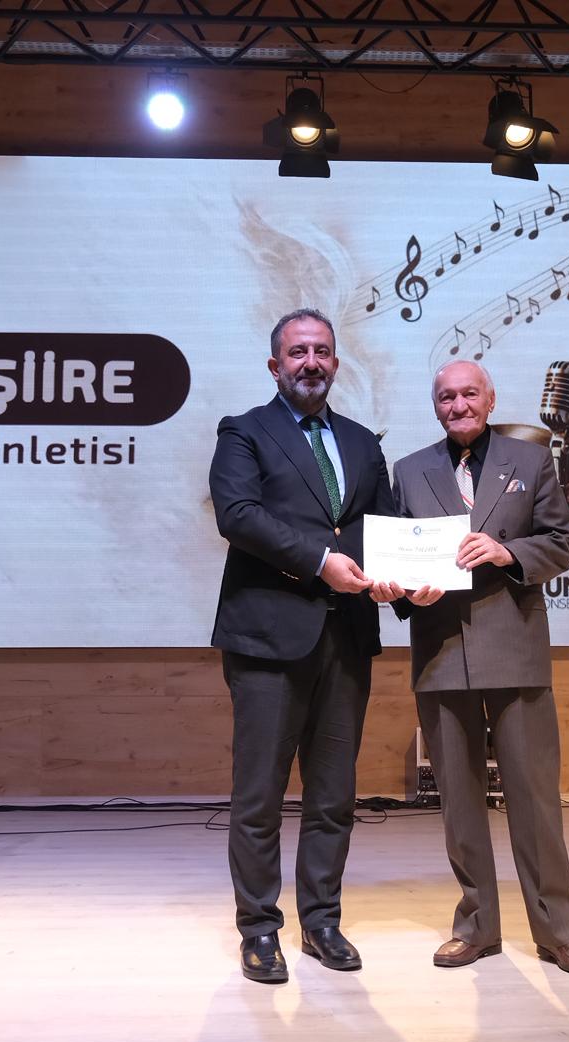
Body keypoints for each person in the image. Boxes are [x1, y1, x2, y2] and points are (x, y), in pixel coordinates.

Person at [371, 359, 569, 976]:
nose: (458, 405)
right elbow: (399, 558)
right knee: (460, 803)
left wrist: (505, 550)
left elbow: (562, 543)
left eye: (469, 394)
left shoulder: (532, 461)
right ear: (435, 406)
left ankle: (559, 932)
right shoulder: (409, 470)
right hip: (440, 649)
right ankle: (477, 926)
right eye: (446, 397)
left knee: (535, 800)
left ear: (490, 399)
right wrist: (397, 590)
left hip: (515, 650)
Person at [209, 308, 393, 984]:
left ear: (336, 363)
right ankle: (260, 928)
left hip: (347, 637)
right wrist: (320, 563)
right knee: (259, 796)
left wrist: (402, 579)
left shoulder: (363, 442)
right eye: (297, 352)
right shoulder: (244, 432)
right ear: (275, 365)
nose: (310, 362)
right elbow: (239, 516)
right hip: (268, 639)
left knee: (334, 797)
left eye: (321, 351)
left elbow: (383, 528)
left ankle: (321, 922)